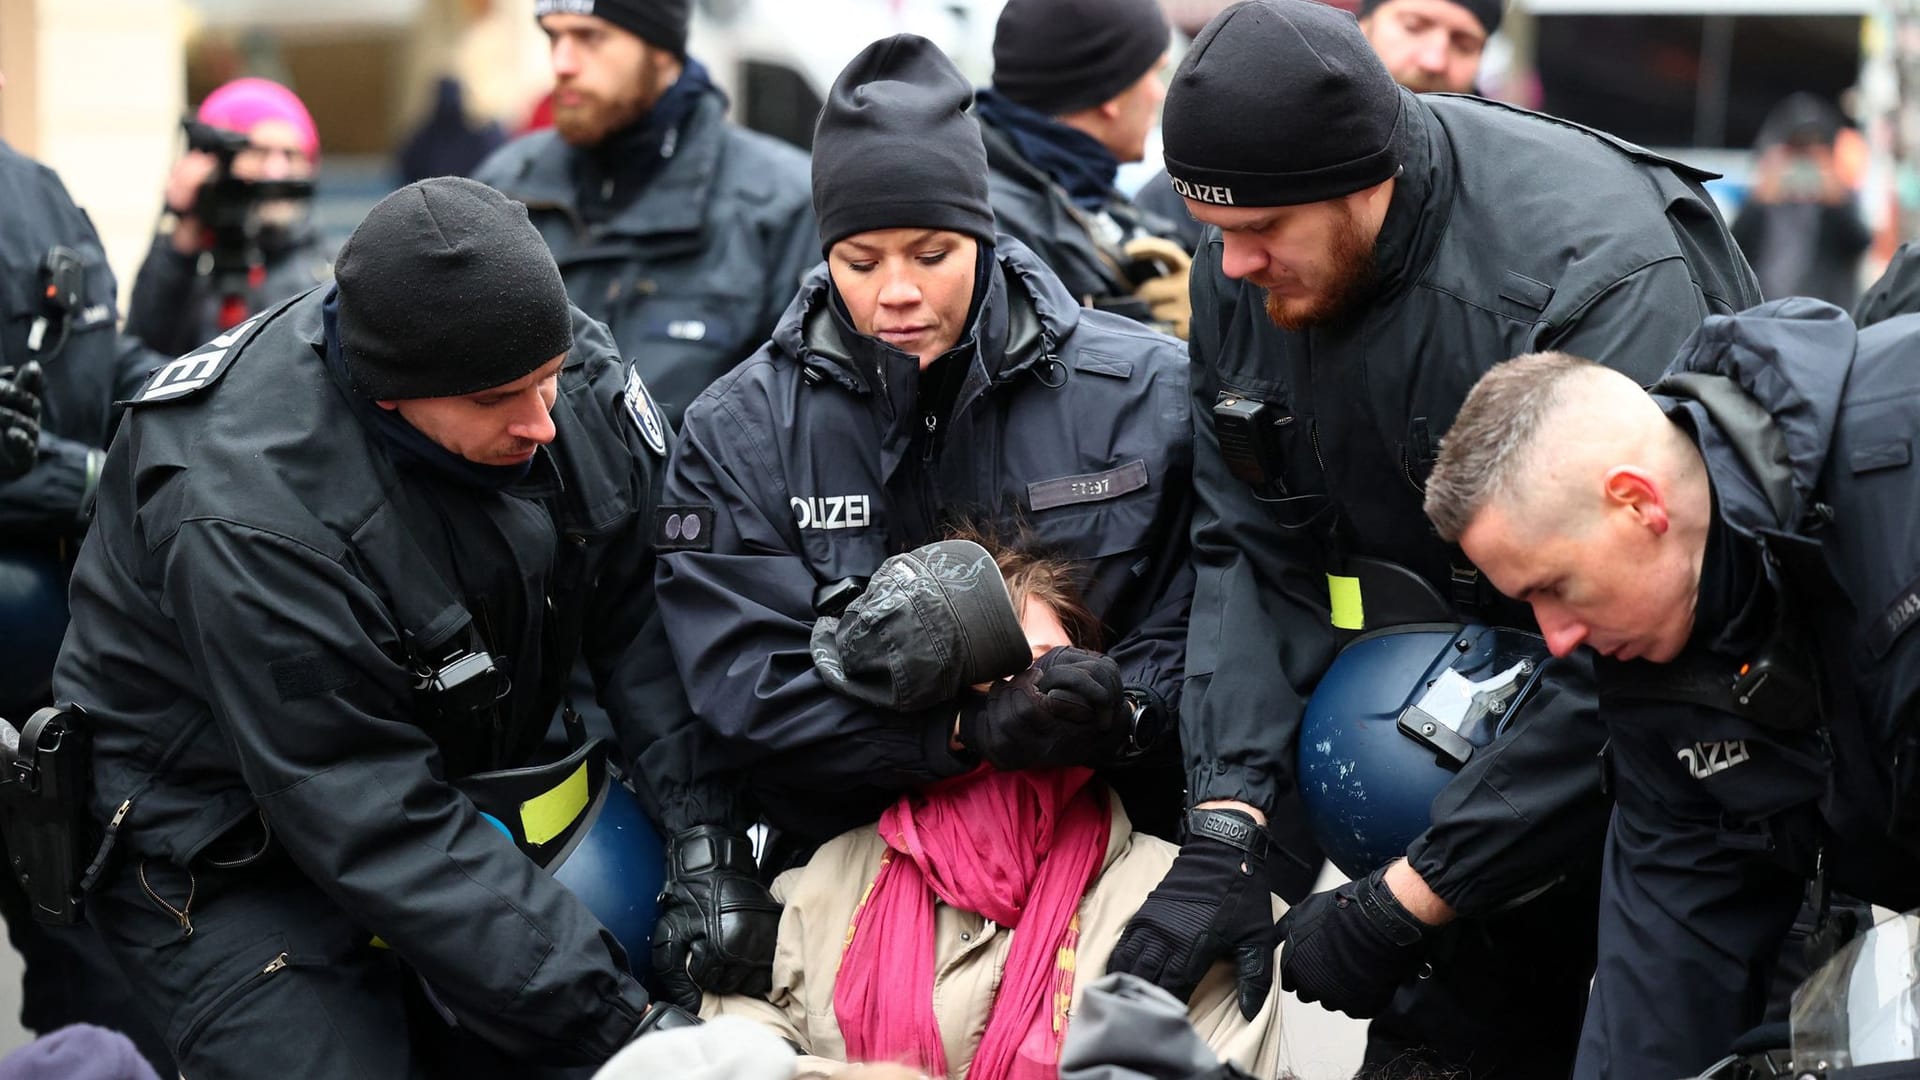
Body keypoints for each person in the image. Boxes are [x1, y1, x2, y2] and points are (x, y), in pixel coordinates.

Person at [1103, 2, 1761, 1077]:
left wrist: (1413, 897)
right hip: (1462, 752)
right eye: (1214, 231)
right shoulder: (1255, 258)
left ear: (1362, 183)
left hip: (1680, 767)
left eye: (1262, 233)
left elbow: (1634, 624)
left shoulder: (1601, 276)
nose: (1230, 269)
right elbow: (1252, 546)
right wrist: (1228, 823)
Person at [52, 177, 772, 1078]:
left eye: (548, 382)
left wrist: (707, 845)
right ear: (395, 393)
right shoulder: (245, 512)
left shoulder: (543, 359)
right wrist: (621, 1028)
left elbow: (643, 621)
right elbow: (368, 807)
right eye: (504, 399)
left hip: (465, 768)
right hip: (224, 846)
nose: (542, 421)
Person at [654, 34, 1194, 855]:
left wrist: (1120, 706)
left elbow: (1209, 604)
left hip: (1115, 834)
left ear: (982, 235)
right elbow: (742, 679)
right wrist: (960, 731)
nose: (897, 293)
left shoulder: (1149, 392)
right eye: (859, 261)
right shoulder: (740, 430)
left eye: (932, 254)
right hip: (847, 857)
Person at [1423, 299, 1920, 1079]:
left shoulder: (1901, 475)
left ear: (1638, 503)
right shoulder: (1653, 674)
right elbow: (1666, 969)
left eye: (1556, 587)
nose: (1555, 639)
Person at [704, 538, 1283, 1079]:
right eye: (986, 676)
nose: (1022, 695)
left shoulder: (1179, 905)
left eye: (1046, 664)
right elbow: (731, 1049)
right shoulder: (820, 888)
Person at [0, 118, 174, 1074]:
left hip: (57, 690)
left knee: (99, 993)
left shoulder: (41, 193)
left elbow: (105, 359)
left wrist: (197, 409)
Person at [473, 0, 818, 426]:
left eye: (590, 37)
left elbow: (798, 429)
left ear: (661, 48)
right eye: (553, 36)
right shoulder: (501, 189)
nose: (561, 63)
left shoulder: (782, 207)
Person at [1134, 0, 1501, 251]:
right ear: (1365, 23)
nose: (1435, 59)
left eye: (1464, 44)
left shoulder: (1497, 182)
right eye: (1414, 26)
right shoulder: (1221, 153)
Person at [972, 0, 1194, 336]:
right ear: (1112, 92)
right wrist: (1161, 333)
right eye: (1153, 73)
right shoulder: (993, 226)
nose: (1159, 93)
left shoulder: (1073, 184)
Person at [124, 77, 333, 358]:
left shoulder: (330, 275)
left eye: (291, 154)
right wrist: (183, 234)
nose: (276, 170)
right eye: (259, 152)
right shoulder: (188, 264)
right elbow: (143, 350)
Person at [1731, 94, 1872, 308]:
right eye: (1798, 151)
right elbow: (1732, 250)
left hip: (1823, 314)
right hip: (1767, 313)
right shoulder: (1766, 197)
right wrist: (1759, 202)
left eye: (1814, 152)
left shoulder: (1837, 196)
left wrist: (1836, 201)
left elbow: (1860, 243)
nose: (1805, 163)